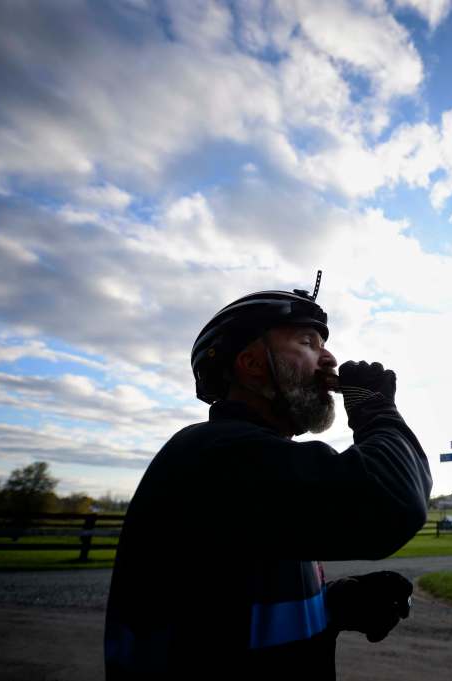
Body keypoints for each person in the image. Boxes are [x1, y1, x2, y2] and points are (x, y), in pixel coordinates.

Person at [104, 273, 432, 679]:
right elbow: (392, 501)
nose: (329, 359)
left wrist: (334, 604)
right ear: (253, 364)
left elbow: (225, 612)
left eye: (324, 345)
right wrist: (374, 406)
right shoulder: (219, 455)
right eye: (307, 343)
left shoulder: (258, 465)